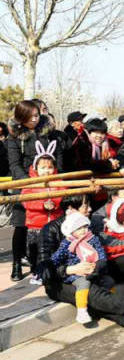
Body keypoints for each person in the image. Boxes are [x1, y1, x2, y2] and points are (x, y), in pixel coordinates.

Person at [37, 195, 124, 330]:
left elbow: (102, 251)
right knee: (90, 292)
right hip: (59, 282)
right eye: (85, 206)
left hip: (89, 275)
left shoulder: (87, 229)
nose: (89, 209)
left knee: (96, 295)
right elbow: (44, 267)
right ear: (70, 209)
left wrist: (96, 266)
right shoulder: (50, 229)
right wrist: (70, 270)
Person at [7, 100, 64, 281]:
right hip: (25, 182)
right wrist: (29, 183)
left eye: (37, 115)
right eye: (30, 116)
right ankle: (17, 262)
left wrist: (55, 177)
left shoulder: (48, 132)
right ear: (21, 117)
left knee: (51, 222)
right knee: (21, 223)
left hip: (48, 178)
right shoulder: (14, 136)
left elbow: (57, 156)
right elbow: (14, 164)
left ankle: (49, 262)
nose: (34, 119)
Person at [51, 213, 110, 324]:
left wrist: (99, 265)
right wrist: (54, 265)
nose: (83, 230)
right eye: (78, 228)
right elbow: (56, 258)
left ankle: (111, 300)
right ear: (71, 231)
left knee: (108, 281)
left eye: (85, 227)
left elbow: (101, 254)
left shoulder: (92, 239)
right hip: (76, 274)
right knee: (83, 283)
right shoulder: (67, 243)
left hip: (93, 269)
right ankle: (82, 311)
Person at [22, 141, 65, 284]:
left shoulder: (58, 182)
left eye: (50, 167)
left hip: (53, 223)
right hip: (36, 224)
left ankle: (51, 272)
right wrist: (42, 205)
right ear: (36, 168)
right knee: (34, 251)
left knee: (53, 249)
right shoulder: (31, 183)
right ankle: (36, 272)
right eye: (43, 168)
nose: (46, 171)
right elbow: (26, 201)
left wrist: (55, 203)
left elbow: (63, 194)